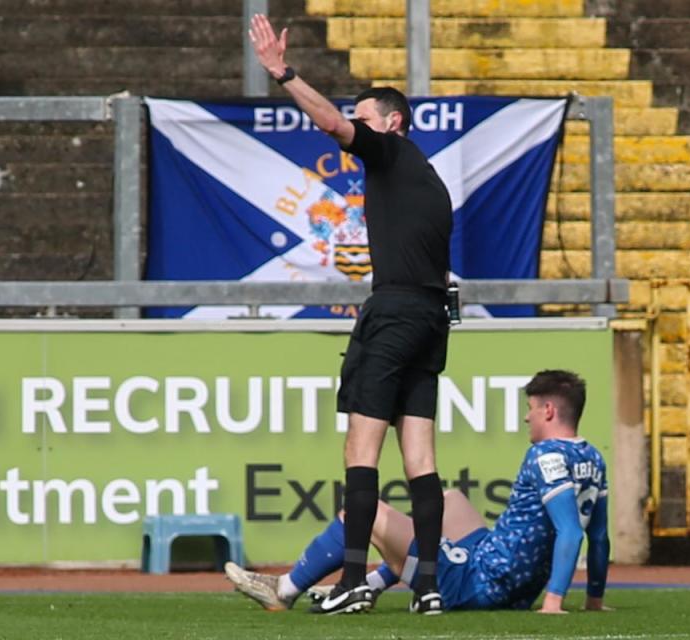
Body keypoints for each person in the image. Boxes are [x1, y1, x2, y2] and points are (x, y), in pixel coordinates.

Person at [248, 15, 454, 614]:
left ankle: (352, 579)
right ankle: (430, 584)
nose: (356, 129)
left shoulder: (390, 153)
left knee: (360, 450)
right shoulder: (428, 177)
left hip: (394, 311)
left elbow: (333, 123)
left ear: (391, 122)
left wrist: (282, 73)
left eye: (368, 119)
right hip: (431, 315)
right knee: (420, 457)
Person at [225, 370, 611, 615]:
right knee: (452, 501)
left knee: (363, 514)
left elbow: (572, 533)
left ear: (547, 411)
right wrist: (593, 599)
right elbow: (599, 536)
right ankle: (372, 585)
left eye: (530, 408)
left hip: (480, 583)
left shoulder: (545, 455)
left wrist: (555, 601)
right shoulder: (591, 456)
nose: (526, 417)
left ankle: (285, 590)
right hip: (511, 581)